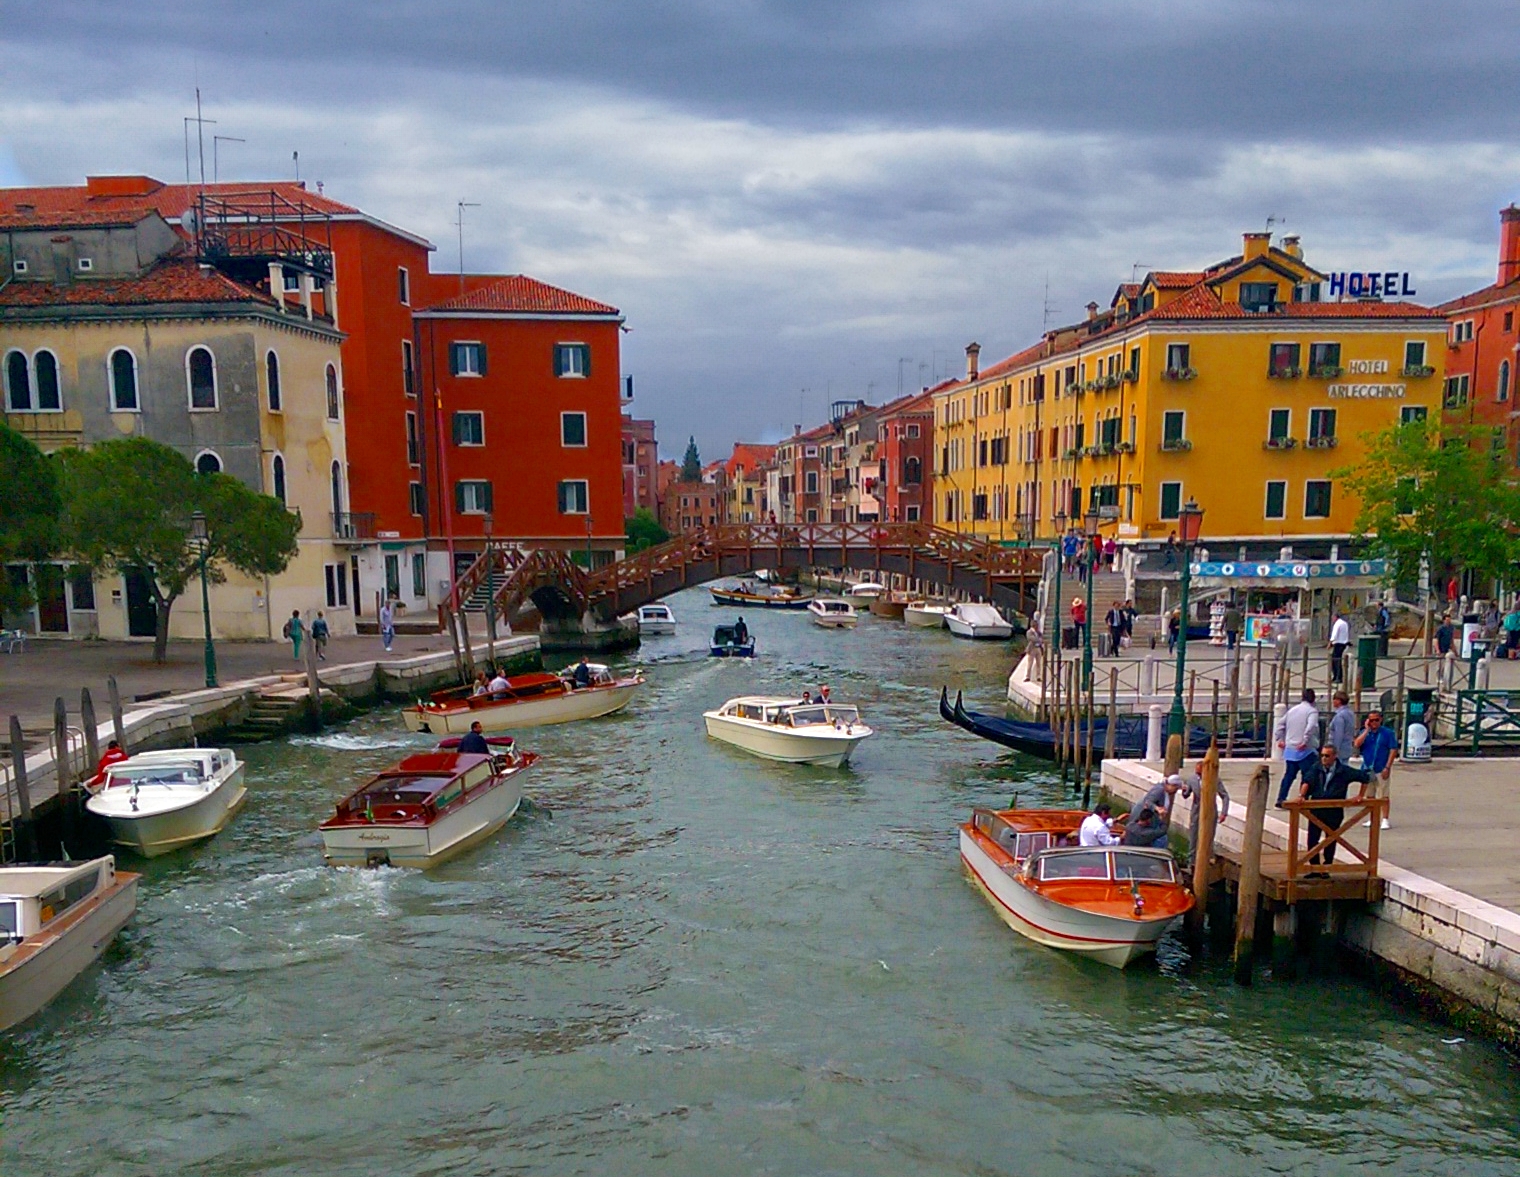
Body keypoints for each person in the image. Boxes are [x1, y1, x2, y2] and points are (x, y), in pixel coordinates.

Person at [1298, 744, 1374, 868]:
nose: (1323, 758)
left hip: (1334, 810)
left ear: (1334, 756)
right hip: (1316, 810)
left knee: (1331, 839)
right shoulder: (1316, 768)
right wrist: (1301, 795)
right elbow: (1307, 781)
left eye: (1327, 756)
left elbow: (1365, 778)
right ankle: (1314, 867)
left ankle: (1327, 866)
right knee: (1312, 839)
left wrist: (1360, 795)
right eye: (1322, 755)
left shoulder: (1343, 770)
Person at [1353, 710, 1400, 830]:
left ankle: (1385, 818)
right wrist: (1367, 730)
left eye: (1376, 720)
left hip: (1381, 767)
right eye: (1371, 720)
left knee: (1383, 794)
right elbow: (1357, 744)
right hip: (1368, 767)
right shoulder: (1365, 733)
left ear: (1380, 720)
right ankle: (1372, 817)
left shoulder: (1387, 733)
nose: (1374, 722)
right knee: (1370, 795)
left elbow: (1393, 749)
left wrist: (1388, 767)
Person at [1274, 688, 1321, 806]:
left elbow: (1280, 724)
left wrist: (1280, 739)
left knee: (1288, 776)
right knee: (1308, 776)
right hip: (1306, 749)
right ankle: (1303, 797)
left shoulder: (1292, 711)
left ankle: (1281, 798)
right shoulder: (1312, 711)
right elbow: (1311, 727)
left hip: (1290, 748)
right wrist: (1305, 740)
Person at [1126, 774, 1190, 847]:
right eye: (1175, 789)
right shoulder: (1159, 790)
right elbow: (1148, 802)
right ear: (1172, 785)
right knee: (1160, 836)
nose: (1175, 792)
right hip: (1144, 817)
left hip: (1153, 820)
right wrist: (1157, 809)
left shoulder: (1164, 788)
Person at [1328, 690, 1357, 764]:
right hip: (1347, 747)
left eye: (1334, 699)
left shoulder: (1340, 716)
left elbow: (1338, 734)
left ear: (1339, 701)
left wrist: (1334, 751)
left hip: (1339, 750)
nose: (1333, 701)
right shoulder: (1350, 713)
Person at [1328, 610, 1350, 684]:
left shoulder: (1337, 624)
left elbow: (1334, 635)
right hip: (1344, 643)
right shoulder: (1344, 623)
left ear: (1335, 617)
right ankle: (1338, 676)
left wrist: (1330, 643)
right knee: (1338, 660)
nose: (1332, 619)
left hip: (1338, 644)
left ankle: (1337, 677)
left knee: (1335, 661)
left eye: (1332, 617)